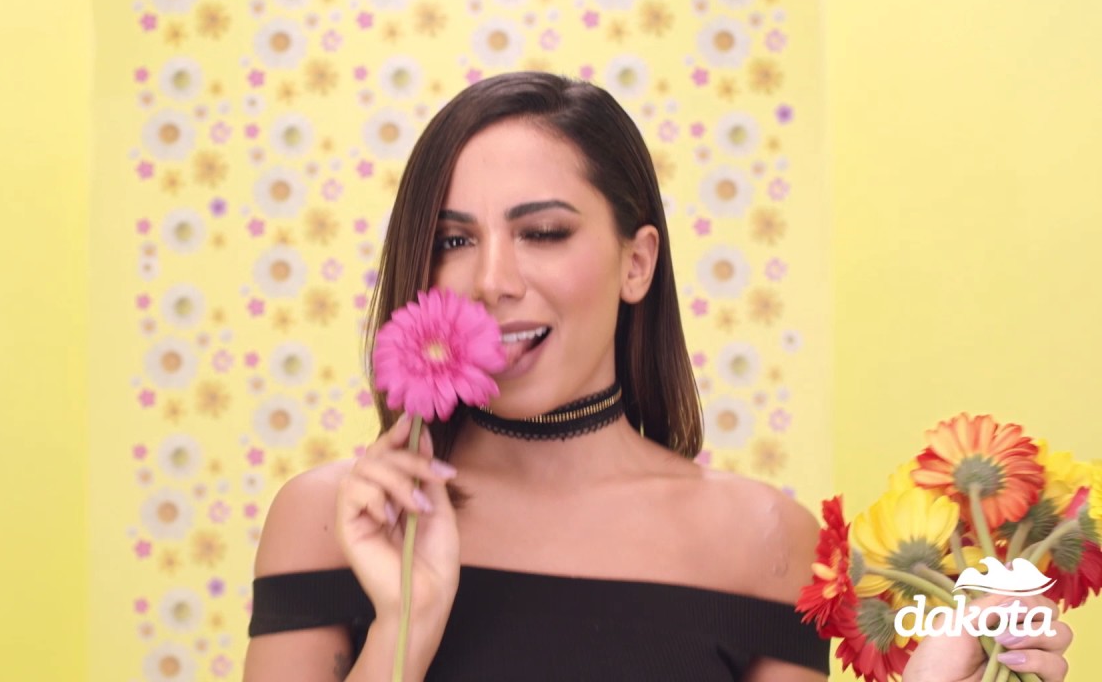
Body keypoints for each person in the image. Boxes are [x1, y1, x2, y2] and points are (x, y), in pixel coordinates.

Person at [240, 72, 1073, 681]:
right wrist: (406, 624)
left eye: (543, 233)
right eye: (453, 240)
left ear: (637, 263)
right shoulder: (331, 520)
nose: (491, 280)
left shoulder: (766, 541)